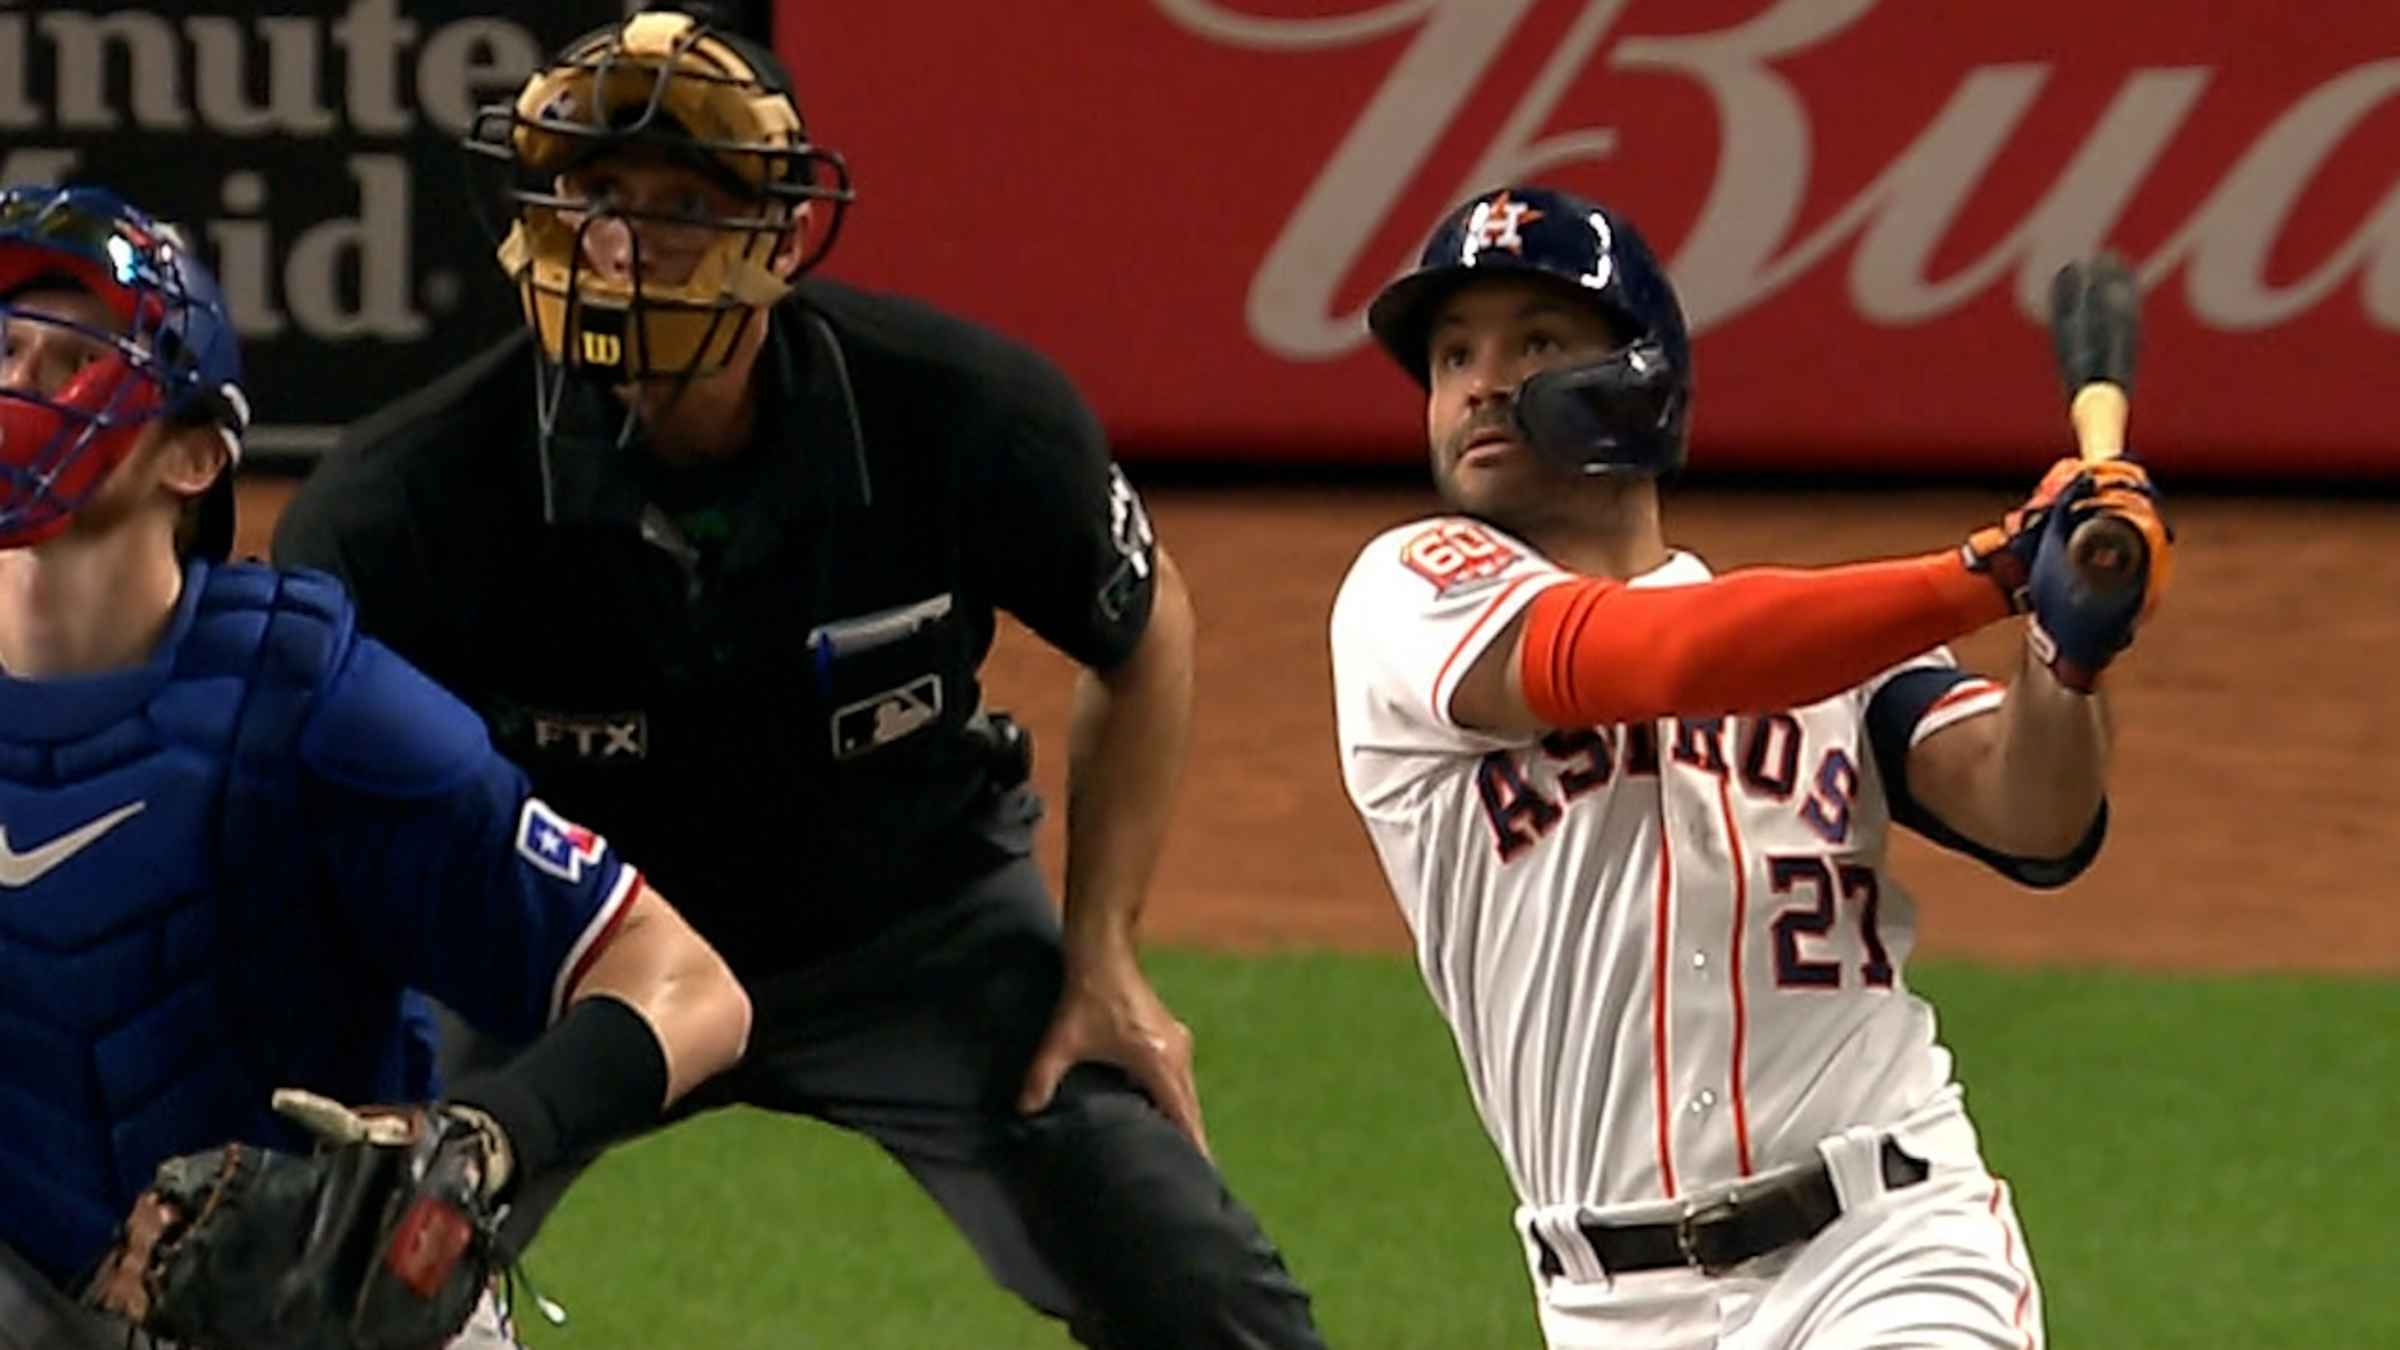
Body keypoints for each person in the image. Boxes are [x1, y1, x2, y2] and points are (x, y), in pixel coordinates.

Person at [270, 7, 1324, 1346]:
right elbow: (298, 787)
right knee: (326, 1274)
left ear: (777, 233)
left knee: (1205, 1290)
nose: (628, 242)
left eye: (683, 203)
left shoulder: (957, 411)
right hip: (560, 946)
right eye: (596, 196)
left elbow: (1143, 620)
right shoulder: (401, 497)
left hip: (910, 926)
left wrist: (1105, 952)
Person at [1328, 184, 2171, 1349]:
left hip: (1885, 1244)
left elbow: (2036, 814)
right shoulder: (1408, 599)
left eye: (1532, 344)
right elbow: (1644, 656)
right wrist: (1990, 570)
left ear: (1641, 376)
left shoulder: (1833, 651)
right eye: (1452, 355)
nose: (1478, 381)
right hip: (1609, 1303)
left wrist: (2067, 651)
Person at [0, 183, 753, 1350]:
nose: (18, 390)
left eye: (69, 362)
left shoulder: (305, 703)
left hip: (319, 1324)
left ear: (193, 457)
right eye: (4, 352)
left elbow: (688, 984)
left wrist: (488, 1139)